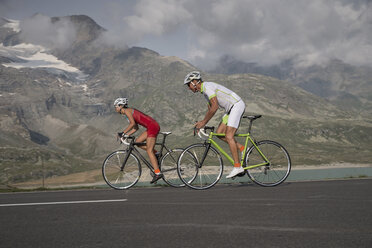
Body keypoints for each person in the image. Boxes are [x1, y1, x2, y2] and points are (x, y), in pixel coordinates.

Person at [184, 71, 246, 178]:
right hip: (230, 109)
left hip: (236, 105)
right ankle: (242, 148)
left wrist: (203, 122)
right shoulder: (204, 92)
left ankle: (237, 167)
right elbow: (210, 109)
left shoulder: (207, 87)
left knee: (229, 136)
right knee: (219, 133)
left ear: (194, 82)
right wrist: (201, 123)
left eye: (188, 85)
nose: (188, 88)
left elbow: (215, 107)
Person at [114, 97, 163, 184]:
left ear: (121, 106)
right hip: (150, 126)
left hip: (152, 126)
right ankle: (156, 153)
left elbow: (132, 124)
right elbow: (135, 128)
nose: (115, 108)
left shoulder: (127, 111)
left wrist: (122, 133)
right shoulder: (127, 113)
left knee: (149, 151)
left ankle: (158, 173)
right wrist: (126, 135)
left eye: (116, 106)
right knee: (138, 142)